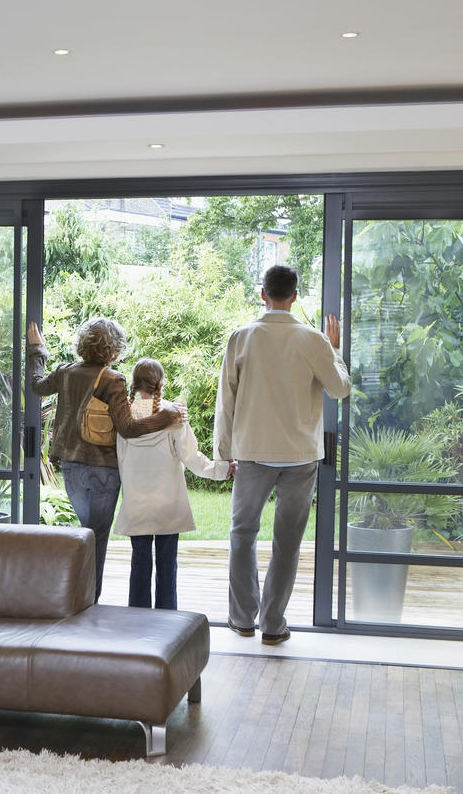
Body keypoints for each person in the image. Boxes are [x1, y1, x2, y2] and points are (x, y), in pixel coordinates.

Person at [214, 264, 351, 645]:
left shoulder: (241, 337)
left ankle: (242, 619)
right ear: (294, 296)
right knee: (286, 542)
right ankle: (273, 625)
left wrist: (224, 453)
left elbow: (227, 403)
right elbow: (339, 389)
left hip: (252, 453)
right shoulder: (313, 340)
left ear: (263, 294)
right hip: (299, 456)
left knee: (242, 534)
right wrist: (334, 350)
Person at [26, 318, 185, 602]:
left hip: (72, 468)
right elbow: (128, 428)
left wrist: (37, 349)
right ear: (114, 348)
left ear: (83, 343)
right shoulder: (113, 379)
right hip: (104, 471)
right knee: (97, 539)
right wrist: (165, 417)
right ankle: (88, 602)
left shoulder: (65, 372)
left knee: (87, 534)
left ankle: (79, 597)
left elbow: (36, 386)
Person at [114, 358, 236, 609]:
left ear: (135, 384)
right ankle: (166, 621)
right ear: (161, 384)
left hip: (137, 503)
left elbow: (120, 461)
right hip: (168, 503)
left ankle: (136, 620)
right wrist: (221, 470)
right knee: (167, 566)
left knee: (139, 564)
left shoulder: (124, 419)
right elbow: (192, 459)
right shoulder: (174, 415)